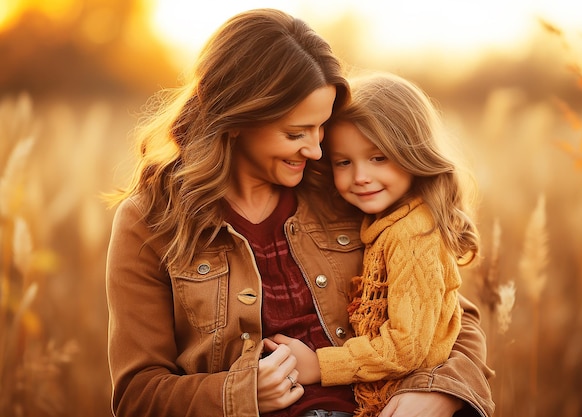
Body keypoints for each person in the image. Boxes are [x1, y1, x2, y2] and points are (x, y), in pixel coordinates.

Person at [105, 8, 495, 417]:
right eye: (296, 133)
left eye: (321, 127)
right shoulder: (150, 221)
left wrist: (437, 393)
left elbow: (452, 316)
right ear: (235, 119)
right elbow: (138, 395)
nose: (315, 150)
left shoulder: (344, 189)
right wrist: (240, 394)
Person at [270, 72, 480, 417]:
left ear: (413, 153)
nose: (361, 176)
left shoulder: (413, 235)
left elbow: (405, 348)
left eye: (378, 157)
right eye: (344, 162)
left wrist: (319, 365)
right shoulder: (385, 223)